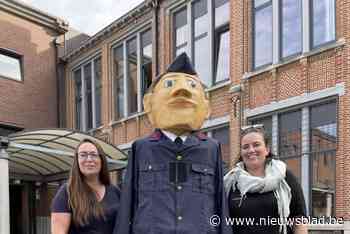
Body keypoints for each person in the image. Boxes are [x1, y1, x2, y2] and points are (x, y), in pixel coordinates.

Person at [115, 52, 231, 234]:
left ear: (207, 108)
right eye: (170, 84)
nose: (182, 91)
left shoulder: (211, 148)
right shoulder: (141, 148)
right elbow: (128, 202)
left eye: (192, 85)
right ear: (148, 103)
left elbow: (220, 203)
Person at [224, 125, 307, 234]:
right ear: (241, 152)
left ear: (267, 149)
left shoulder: (284, 176)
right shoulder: (230, 181)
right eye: (245, 147)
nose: (251, 150)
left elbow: (298, 218)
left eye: (256, 145)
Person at [51, 138, 120, 234]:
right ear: (77, 161)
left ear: (101, 159)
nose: (89, 159)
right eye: (83, 155)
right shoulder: (66, 193)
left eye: (93, 155)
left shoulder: (115, 191)